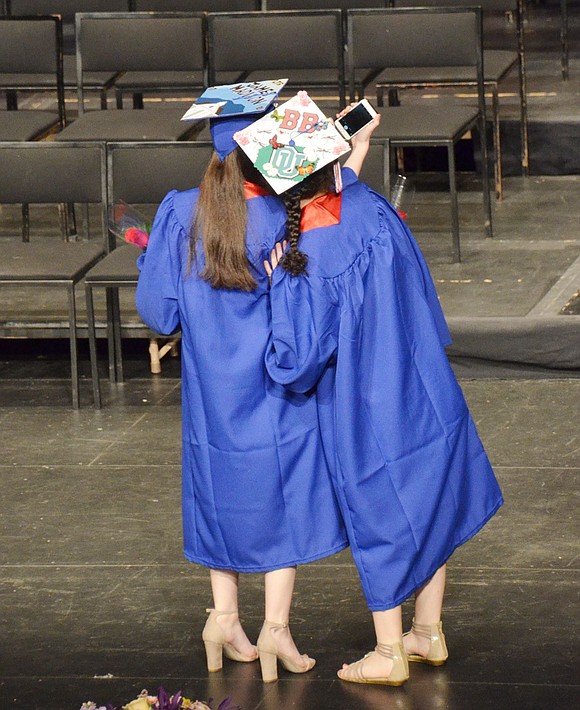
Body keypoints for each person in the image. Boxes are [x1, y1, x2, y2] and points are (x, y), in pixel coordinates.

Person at [264, 105, 504, 686]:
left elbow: (295, 364)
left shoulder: (308, 259)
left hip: (365, 404)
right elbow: (342, 184)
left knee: (382, 513)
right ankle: (428, 630)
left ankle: (389, 650)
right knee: (430, 499)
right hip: (423, 383)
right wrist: (352, 143)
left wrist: (277, 287)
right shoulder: (373, 210)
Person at [135, 95, 349, 683]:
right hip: (277, 391)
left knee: (219, 488)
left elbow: (159, 314)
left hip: (211, 398)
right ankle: (274, 628)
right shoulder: (287, 218)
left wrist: (155, 267)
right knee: (283, 499)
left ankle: (223, 617)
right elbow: (299, 331)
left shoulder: (180, 212)